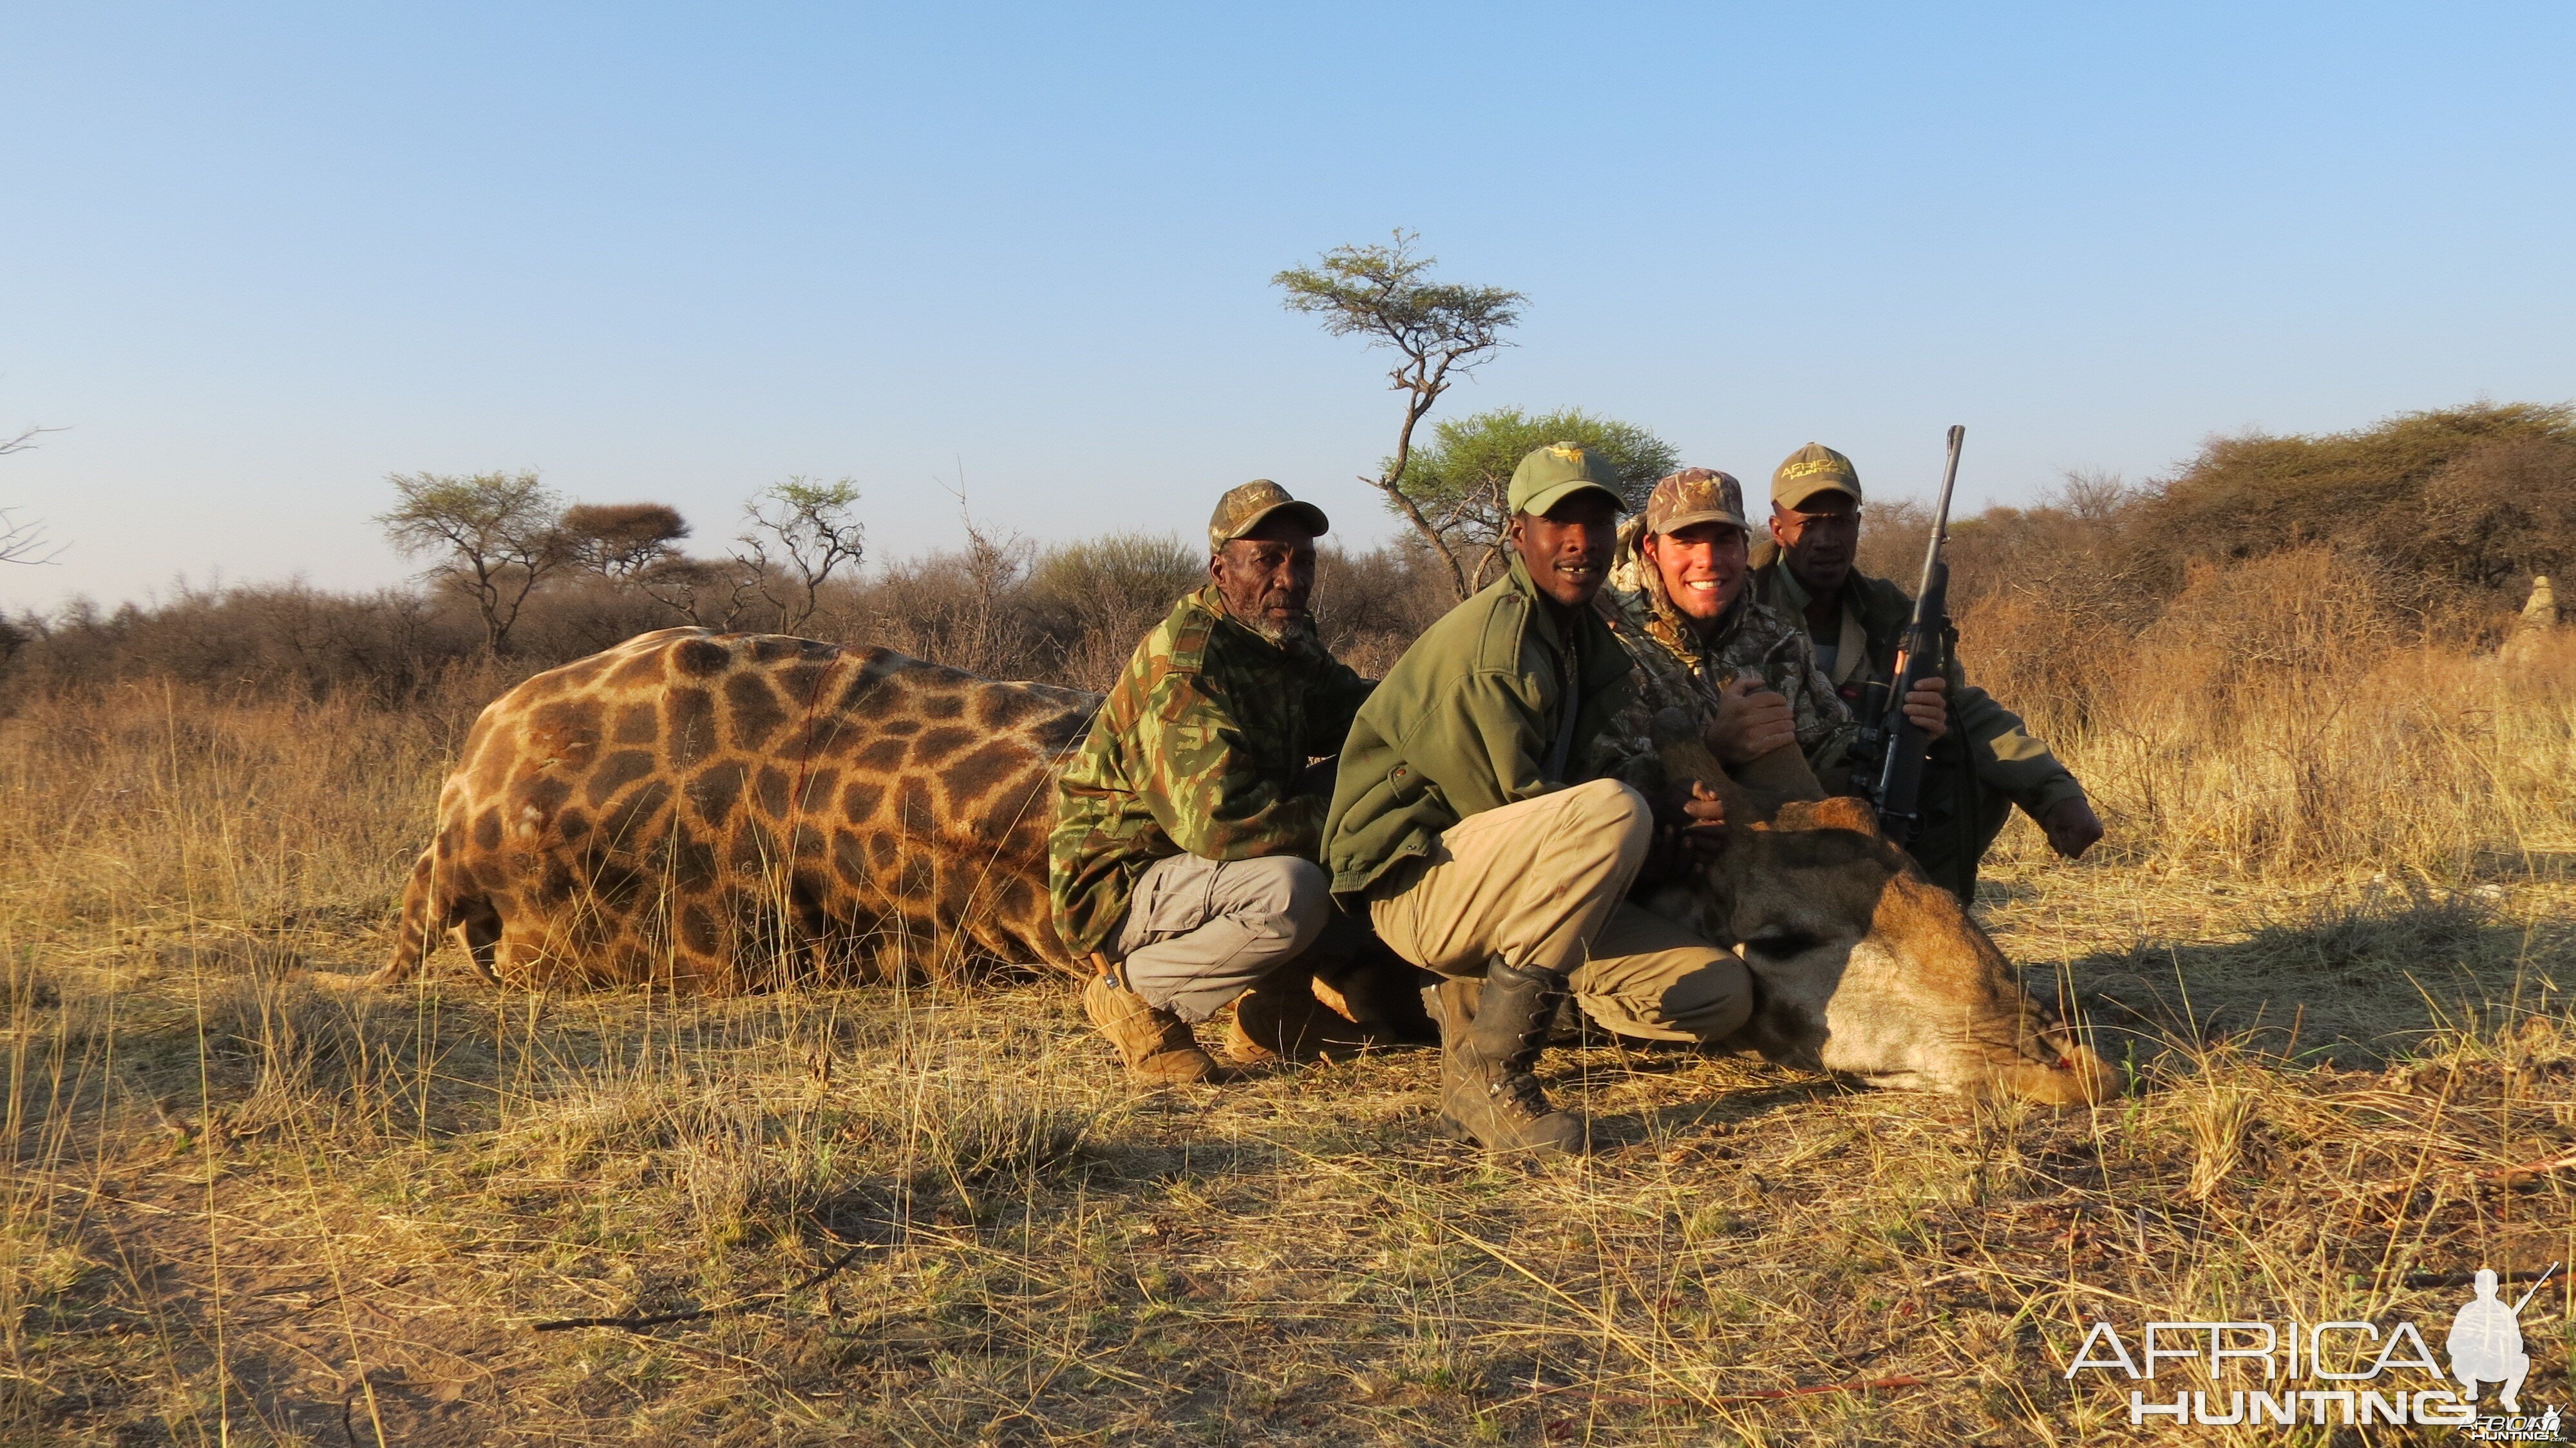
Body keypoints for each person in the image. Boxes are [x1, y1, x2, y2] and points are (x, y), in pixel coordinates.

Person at [1321, 443, 1750, 1156]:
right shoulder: (1493, 647)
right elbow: (1521, 812)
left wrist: (1669, 816)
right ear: (1519, 536)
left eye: (1597, 519)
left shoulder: (1582, 637)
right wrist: (1650, 829)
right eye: (1559, 522)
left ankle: (1493, 1006)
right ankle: (1488, 1074)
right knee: (1616, 813)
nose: (1580, 541)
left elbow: (1586, 785)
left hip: (1510, 885)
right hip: (1420, 883)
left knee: (1721, 992)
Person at [1050, 480, 1376, 1083]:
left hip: (1200, 867)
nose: (1290, 578)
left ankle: (1275, 1015)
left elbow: (1359, 718)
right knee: (1291, 887)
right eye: (1268, 559)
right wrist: (1355, 818)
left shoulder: (1279, 637)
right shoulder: (1190, 667)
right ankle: (1133, 994)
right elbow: (1225, 826)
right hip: (1127, 881)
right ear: (1221, 569)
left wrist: (1442, 695)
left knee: (1376, 787)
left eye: (1303, 560)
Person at [1750, 443, 2103, 902]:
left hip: (1861, 794)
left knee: (1967, 778)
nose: (1826, 539)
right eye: (1809, 524)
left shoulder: (1892, 612)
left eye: (1839, 521)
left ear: (1858, 524)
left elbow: (1964, 710)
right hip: (1767, 801)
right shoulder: (1742, 600)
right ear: (1779, 529)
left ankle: (1932, 917)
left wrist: (2055, 793)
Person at [1594, 466, 1947, 801]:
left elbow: (1827, 741)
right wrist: (1712, 749)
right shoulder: (1605, 639)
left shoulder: (1777, 638)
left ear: (1746, 548)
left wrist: (1898, 729)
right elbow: (1596, 785)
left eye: (1724, 541)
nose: (1708, 560)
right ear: (1652, 551)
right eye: (1686, 542)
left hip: (1762, 828)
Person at [2447, 1268, 2531, 1413]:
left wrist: (2502, 1341)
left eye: (2490, 1287)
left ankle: (2508, 1396)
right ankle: (2471, 1389)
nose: (2486, 1291)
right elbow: (2453, 1343)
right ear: (2476, 1288)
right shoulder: (2468, 1310)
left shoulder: (2504, 1311)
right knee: (2460, 1358)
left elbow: (2518, 1343)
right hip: (2471, 1364)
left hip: (2497, 1364)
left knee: (2523, 1360)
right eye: (2482, 1287)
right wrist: (2472, 1343)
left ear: (2496, 1288)